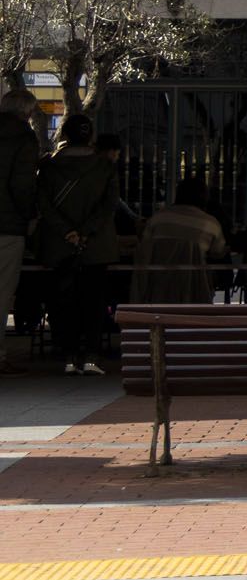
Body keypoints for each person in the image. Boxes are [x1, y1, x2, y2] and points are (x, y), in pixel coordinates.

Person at [33, 113, 122, 373]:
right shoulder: (105, 167)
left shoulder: (48, 166)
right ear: (91, 136)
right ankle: (92, 354)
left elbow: (43, 204)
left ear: (64, 135)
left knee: (62, 300)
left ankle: (68, 353)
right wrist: (85, 231)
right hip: (96, 245)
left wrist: (67, 232)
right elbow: (109, 205)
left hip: (59, 244)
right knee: (94, 300)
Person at [131, 175, 229, 306]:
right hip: (194, 285)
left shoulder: (157, 218)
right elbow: (218, 252)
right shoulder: (210, 223)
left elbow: (145, 246)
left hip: (157, 283)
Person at [0, 92, 41, 371]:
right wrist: (30, 216)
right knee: (2, 292)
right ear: (27, 111)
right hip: (7, 226)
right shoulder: (24, 139)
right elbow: (23, 185)